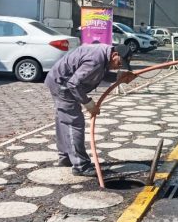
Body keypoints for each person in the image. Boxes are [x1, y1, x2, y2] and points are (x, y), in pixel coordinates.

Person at [44, 44, 136, 176]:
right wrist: (88, 103)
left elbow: (97, 73)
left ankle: (65, 157)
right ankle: (81, 166)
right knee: (73, 123)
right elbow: (73, 84)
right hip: (62, 85)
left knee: (63, 120)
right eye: (119, 63)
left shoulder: (103, 54)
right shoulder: (96, 59)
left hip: (59, 80)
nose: (118, 67)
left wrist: (117, 77)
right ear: (114, 55)